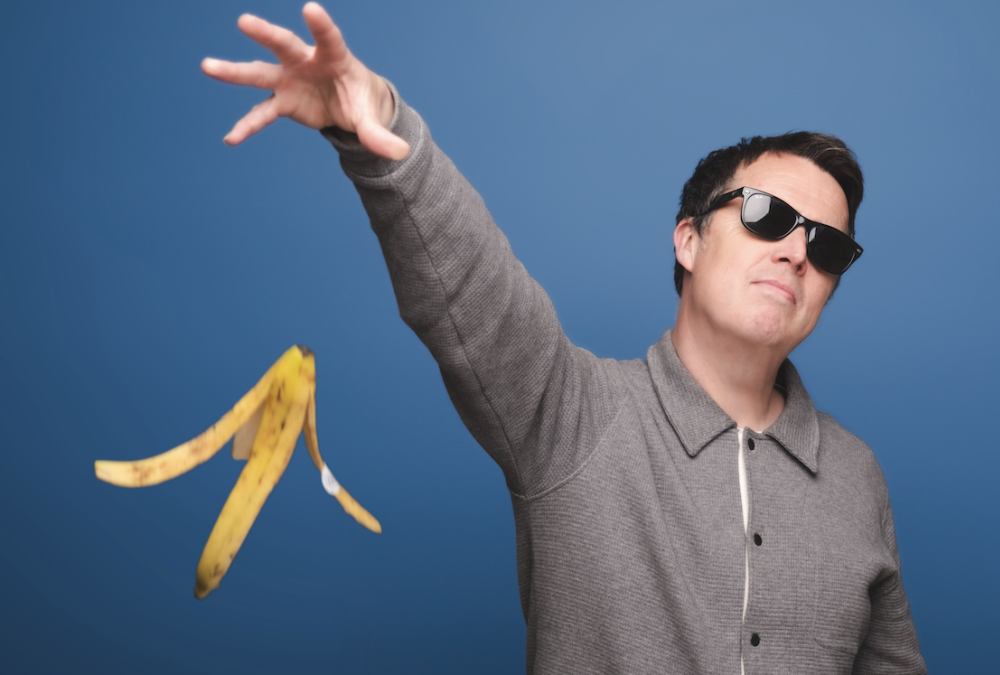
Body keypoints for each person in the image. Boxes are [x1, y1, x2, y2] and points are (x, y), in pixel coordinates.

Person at [203, 4, 926, 673]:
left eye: (827, 246)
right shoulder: (575, 415)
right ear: (689, 240)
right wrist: (381, 132)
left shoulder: (856, 475)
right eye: (768, 215)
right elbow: (472, 288)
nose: (796, 252)